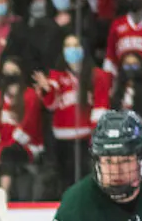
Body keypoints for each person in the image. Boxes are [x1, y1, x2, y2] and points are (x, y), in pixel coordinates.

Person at [36, 35, 106, 190]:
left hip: (85, 139)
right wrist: (47, 90)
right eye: (67, 46)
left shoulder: (97, 75)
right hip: (61, 139)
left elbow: (101, 107)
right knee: (64, 181)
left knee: (87, 181)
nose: (71, 50)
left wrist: (95, 136)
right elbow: (51, 105)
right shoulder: (56, 75)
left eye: (75, 45)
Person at [0, 54, 42, 196]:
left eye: (14, 72)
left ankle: (4, 195)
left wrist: (4, 149)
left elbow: (28, 128)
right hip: (2, 149)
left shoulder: (30, 96)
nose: (10, 76)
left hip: (28, 147)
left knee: (8, 153)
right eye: (6, 72)